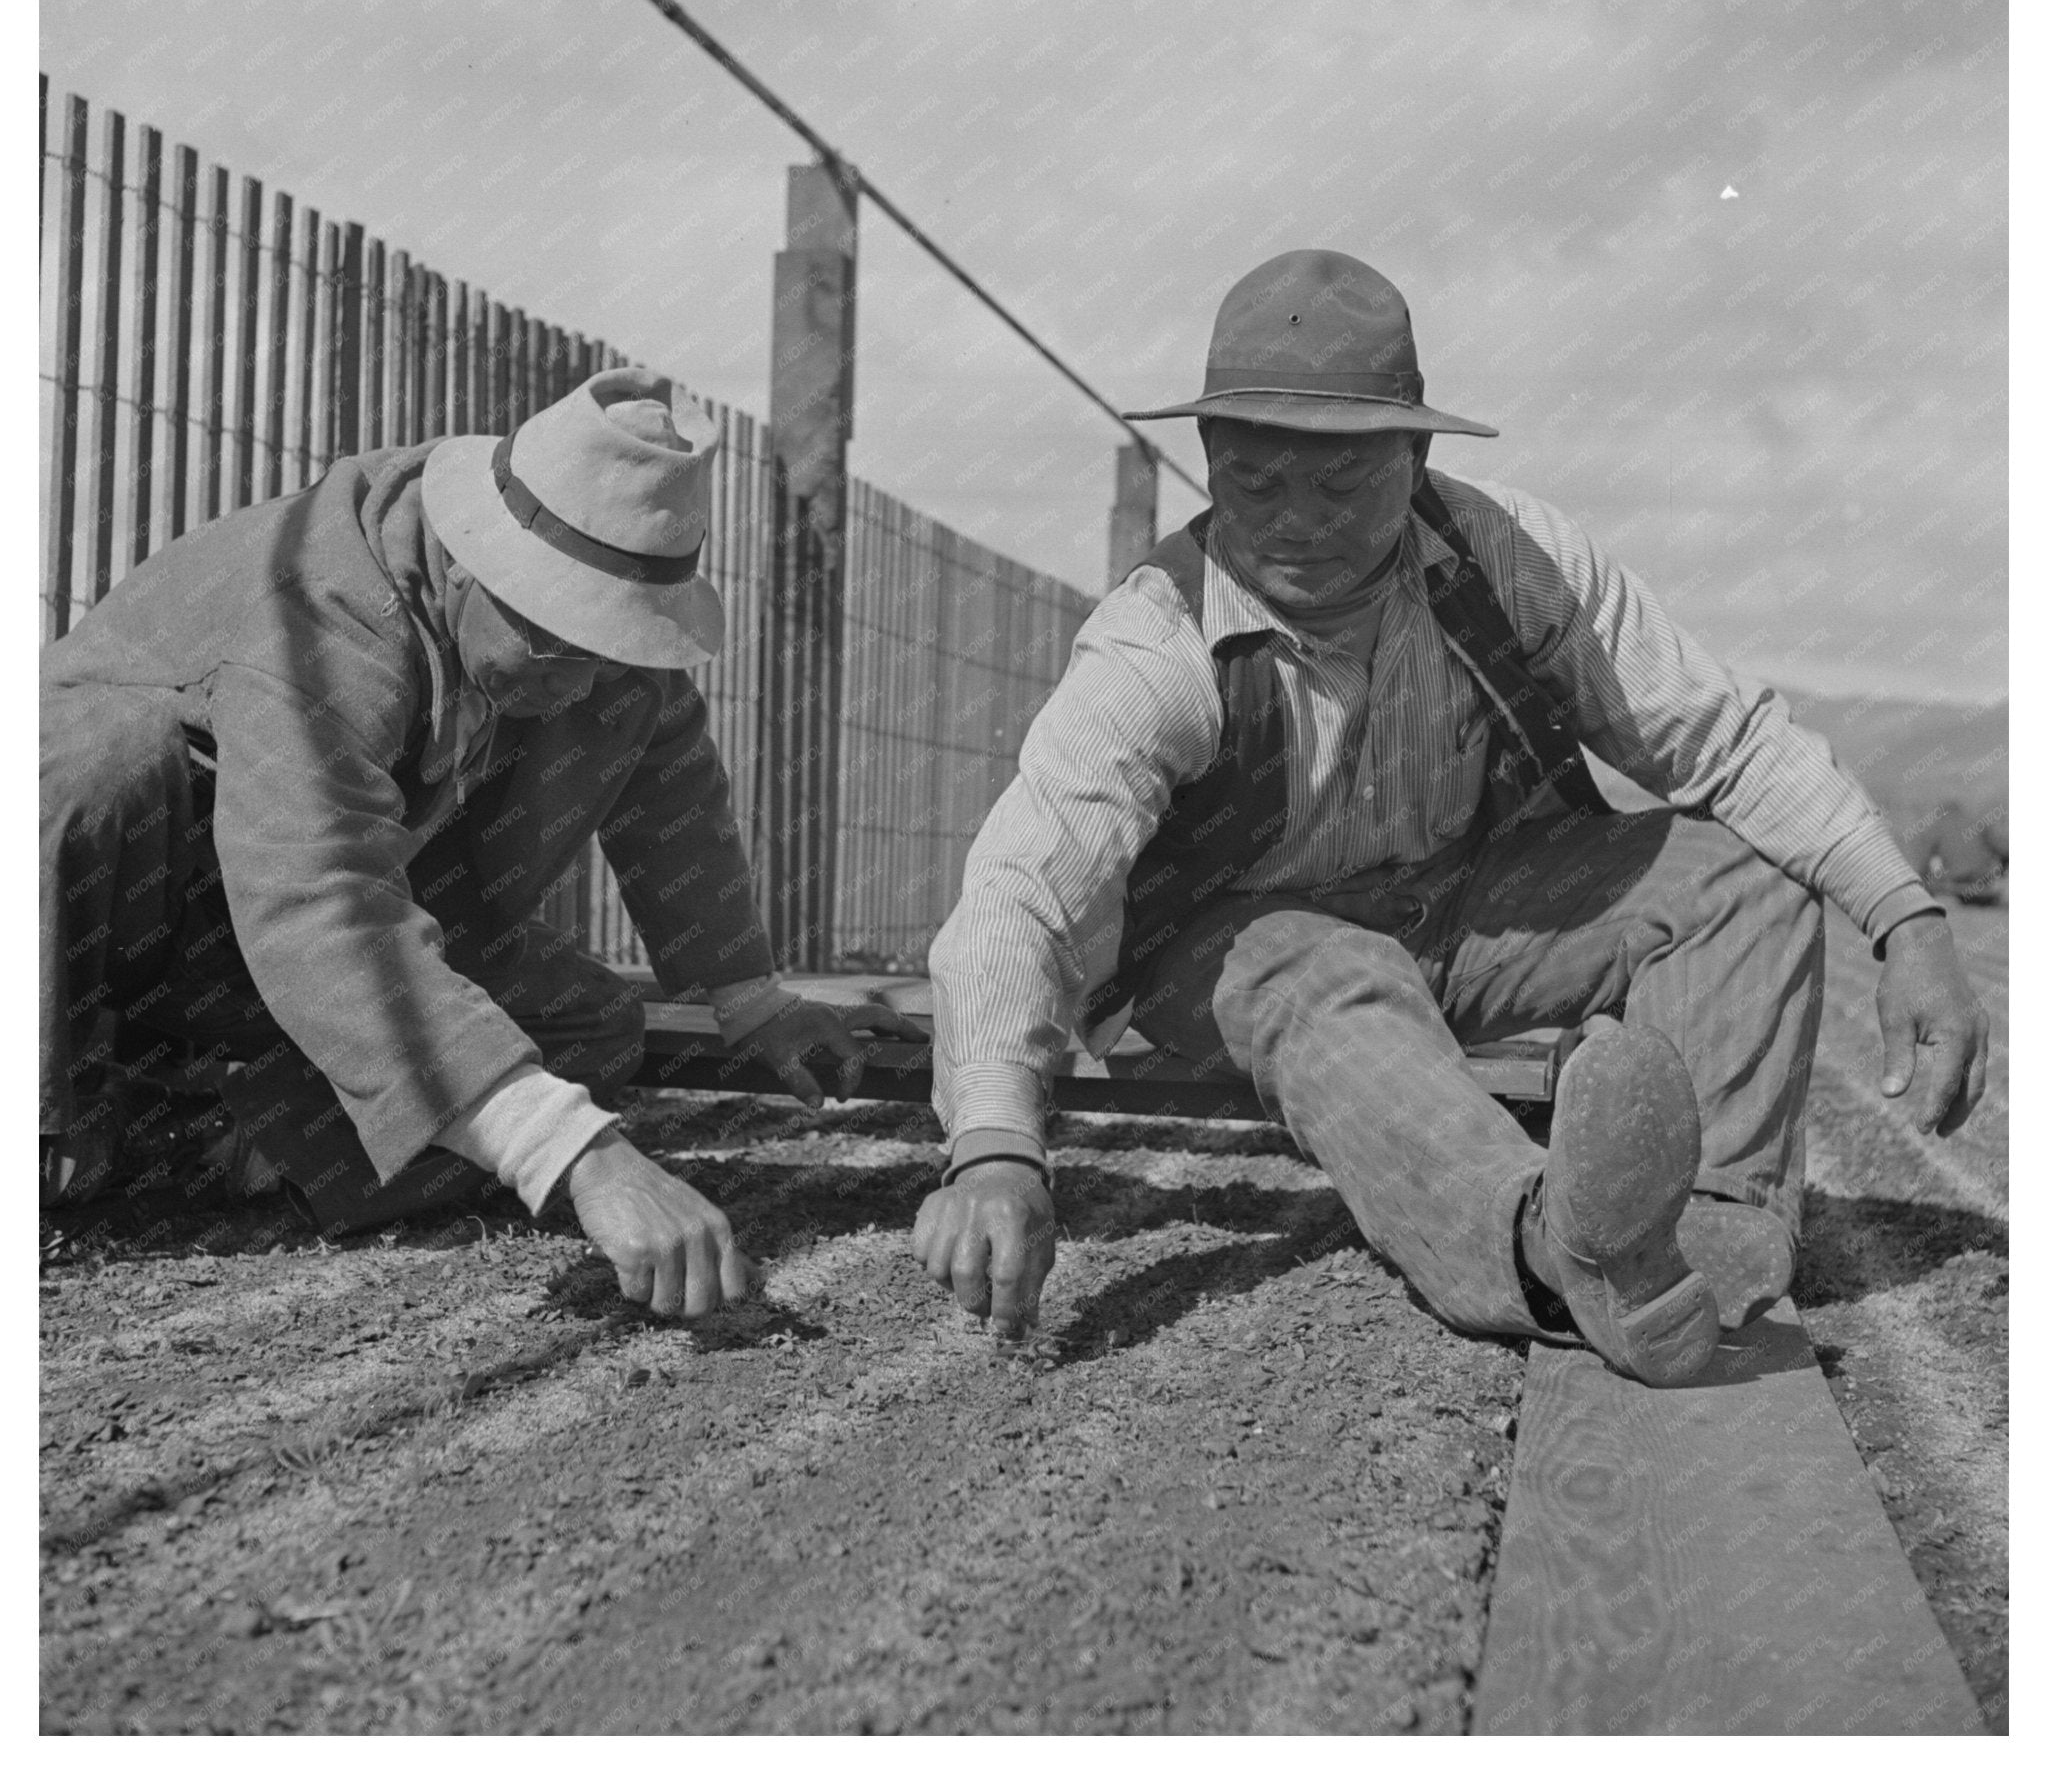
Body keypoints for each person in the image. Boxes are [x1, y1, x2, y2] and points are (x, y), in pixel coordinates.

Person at [912, 252, 1990, 1386]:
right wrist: (992, 1148)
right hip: (1228, 953)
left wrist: (1906, 919)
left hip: (1457, 902)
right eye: (1254, 480)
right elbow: (1017, 890)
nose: (1294, 522)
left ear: (1413, 457)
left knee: (1742, 878)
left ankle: (1701, 1231)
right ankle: (1543, 1246)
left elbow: (1721, 736)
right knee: (1320, 965)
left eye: (1339, 487)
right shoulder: (1154, 645)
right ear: (1209, 459)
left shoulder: (1505, 557)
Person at [42, 366, 893, 1318]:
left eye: (613, 649)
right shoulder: (322, 601)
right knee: (94, 764)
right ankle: (54, 1109)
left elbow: (668, 784)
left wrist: (748, 996)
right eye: (561, 643)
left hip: (271, 956)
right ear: (466, 563)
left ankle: (199, 1137)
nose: (583, 684)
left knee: (584, 1030)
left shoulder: (586, 646)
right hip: (122, 920)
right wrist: (580, 1156)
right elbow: (316, 890)